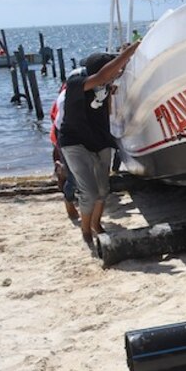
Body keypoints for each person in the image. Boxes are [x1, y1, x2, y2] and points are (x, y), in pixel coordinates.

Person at [59, 41, 140, 250]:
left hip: (100, 140)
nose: (114, 76)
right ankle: (86, 231)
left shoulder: (107, 86)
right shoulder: (77, 83)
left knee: (103, 189)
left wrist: (127, 56)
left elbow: (113, 75)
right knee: (89, 192)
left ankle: (96, 224)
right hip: (74, 142)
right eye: (111, 72)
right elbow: (104, 75)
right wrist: (129, 52)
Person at [49, 85, 79, 221]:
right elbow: (55, 119)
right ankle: (69, 200)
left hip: (62, 135)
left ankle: (60, 169)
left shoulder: (63, 95)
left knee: (71, 172)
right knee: (71, 175)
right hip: (62, 135)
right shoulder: (66, 97)